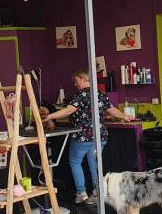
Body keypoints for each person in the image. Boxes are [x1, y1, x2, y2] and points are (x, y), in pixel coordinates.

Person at [42, 68, 133, 204]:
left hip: (83, 136)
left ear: (83, 79)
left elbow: (69, 110)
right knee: (94, 165)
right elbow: (112, 110)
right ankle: (97, 194)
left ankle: (81, 193)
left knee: (75, 162)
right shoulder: (100, 94)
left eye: (76, 81)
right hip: (100, 136)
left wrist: (49, 116)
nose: (75, 84)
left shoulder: (80, 95)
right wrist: (125, 116)